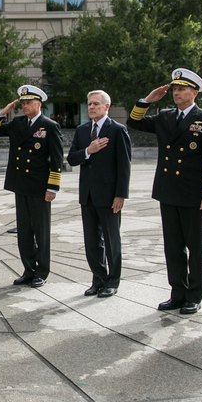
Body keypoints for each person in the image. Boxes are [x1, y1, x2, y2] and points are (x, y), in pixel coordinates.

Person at [127, 68, 202, 314]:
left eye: (181, 89)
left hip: (193, 192)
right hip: (168, 189)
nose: (177, 92)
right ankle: (177, 292)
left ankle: (194, 294)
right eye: (174, 89)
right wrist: (148, 100)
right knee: (173, 246)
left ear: (194, 92)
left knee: (195, 246)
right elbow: (134, 122)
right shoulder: (164, 116)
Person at [0, 85, 63, 288]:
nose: (25, 105)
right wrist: (2, 113)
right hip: (20, 184)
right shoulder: (17, 122)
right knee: (24, 232)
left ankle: (41, 271)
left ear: (39, 104)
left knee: (41, 231)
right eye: (23, 102)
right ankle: (28, 270)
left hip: (39, 186)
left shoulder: (49, 125)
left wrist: (52, 187)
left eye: (29, 102)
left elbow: (56, 159)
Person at [66, 90, 131, 298]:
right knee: (92, 242)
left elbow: (124, 166)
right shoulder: (82, 130)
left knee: (112, 242)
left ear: (106, 107)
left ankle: (113, 281)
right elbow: (72, 158)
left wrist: (120, 194)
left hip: (110, 195)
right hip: (88, 195)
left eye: (95, 104)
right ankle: (98, 279)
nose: (91, 107)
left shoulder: (117, 130)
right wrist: (89, 150)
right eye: (89, 104)